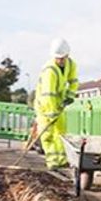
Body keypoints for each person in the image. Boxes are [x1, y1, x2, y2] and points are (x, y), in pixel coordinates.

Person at [34, 38, 78, 170]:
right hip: (44, 106)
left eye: (62, 58)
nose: (60, 60)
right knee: (47, 134)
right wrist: (51, 114)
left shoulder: (71, 64)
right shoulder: (50, 70)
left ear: (67, 55)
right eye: (58, 58)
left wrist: (70, 95)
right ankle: (52, 161)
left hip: (58, 103)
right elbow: (48, 95)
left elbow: (74, 81)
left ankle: (62, 159)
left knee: (61, 132)